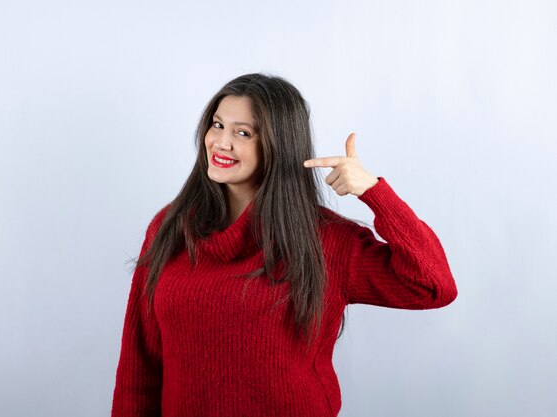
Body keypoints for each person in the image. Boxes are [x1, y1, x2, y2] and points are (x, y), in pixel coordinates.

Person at [111, 73, 458, 417]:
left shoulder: (324, 240)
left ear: (279, 145)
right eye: (217, 125)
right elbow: (139, 365)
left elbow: (433, 286)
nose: (220, 143)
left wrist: (374, 192)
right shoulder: (170, 227)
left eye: (242, 133)